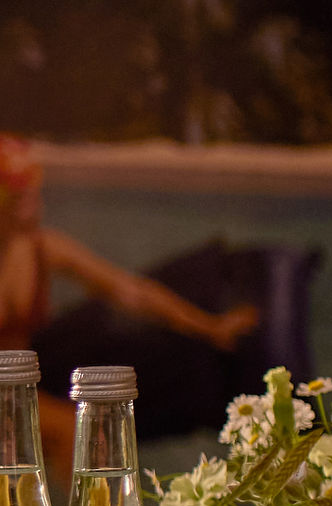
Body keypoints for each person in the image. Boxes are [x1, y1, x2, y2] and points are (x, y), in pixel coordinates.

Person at [0, 134, 262, 475]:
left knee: (94, 430)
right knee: (75, 431)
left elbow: (133, 293)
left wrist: (209, 327)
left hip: (17, 387)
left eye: (33, 189)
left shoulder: (43, 248)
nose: (32, 201)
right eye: (19, 194)